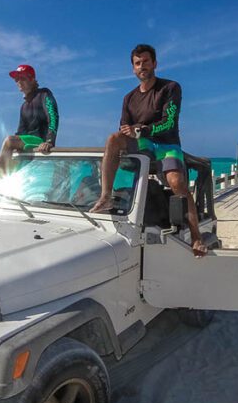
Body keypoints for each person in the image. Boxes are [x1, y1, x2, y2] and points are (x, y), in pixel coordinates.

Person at [89, 44, 207, 257]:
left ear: (154, 64)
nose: (142, 66)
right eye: (137, 63)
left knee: (177, 183)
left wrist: (143, 129)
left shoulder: (171, 87)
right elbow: (123, 127)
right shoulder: (128, 98)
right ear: (133, 68)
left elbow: (169, 121)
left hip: (166, 144)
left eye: (145, 61)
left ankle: (197, 236)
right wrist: (130, 132)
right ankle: (106, 196)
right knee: (113, 139)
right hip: (142, 143)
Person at [0, 64, 59, 196]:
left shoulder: (44, 94)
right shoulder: (23, 106)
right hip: (28, 143)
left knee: (9, 140)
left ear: (32, 79)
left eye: (22, 78)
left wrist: (49, 141)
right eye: (16, 79)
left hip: (40, 141)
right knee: (12, 146)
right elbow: (20, 132)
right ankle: (6, 189)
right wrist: (15, 147)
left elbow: (53, 116)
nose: (18, 82)